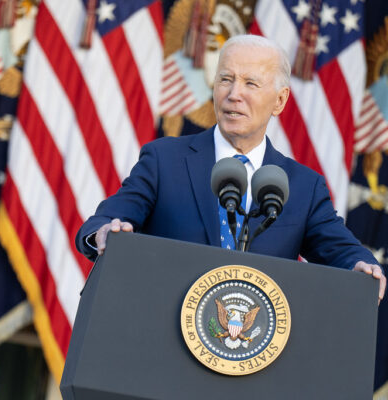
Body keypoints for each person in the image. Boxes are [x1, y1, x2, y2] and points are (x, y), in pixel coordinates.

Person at [76, 34, 386, 303]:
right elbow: (103, 221)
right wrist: (105, 232)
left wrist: (361, 265)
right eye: (226, 79)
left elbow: (342, 251)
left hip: (254, 353)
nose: (233, 93)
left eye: (250, 83)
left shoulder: (303, 187)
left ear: (279, 101)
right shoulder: (164, 159)